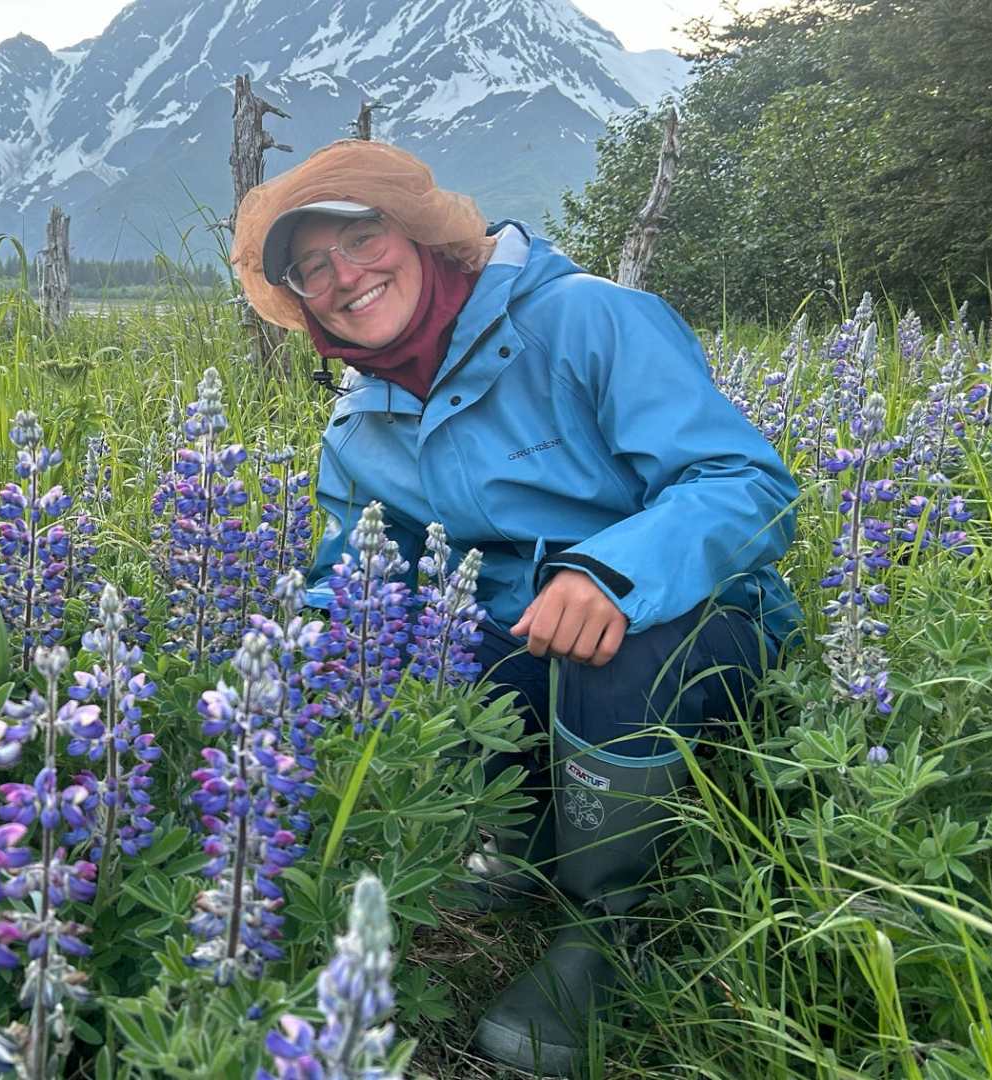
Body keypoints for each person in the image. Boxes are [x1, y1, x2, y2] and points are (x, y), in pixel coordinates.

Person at [230, 139, 801, 1077]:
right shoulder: (359, 420)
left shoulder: (586, 319)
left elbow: (745, 482)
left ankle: (610, 925)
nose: (346, 276)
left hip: (692, 620)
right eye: (312, 267)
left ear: (417, 232)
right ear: (298, 299)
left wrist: (609, 572)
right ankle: (525, 834)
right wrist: (306, 643)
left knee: (613, 659)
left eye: (362, 238)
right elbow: (364, 571)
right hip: (514, 639)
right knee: (395, 650)